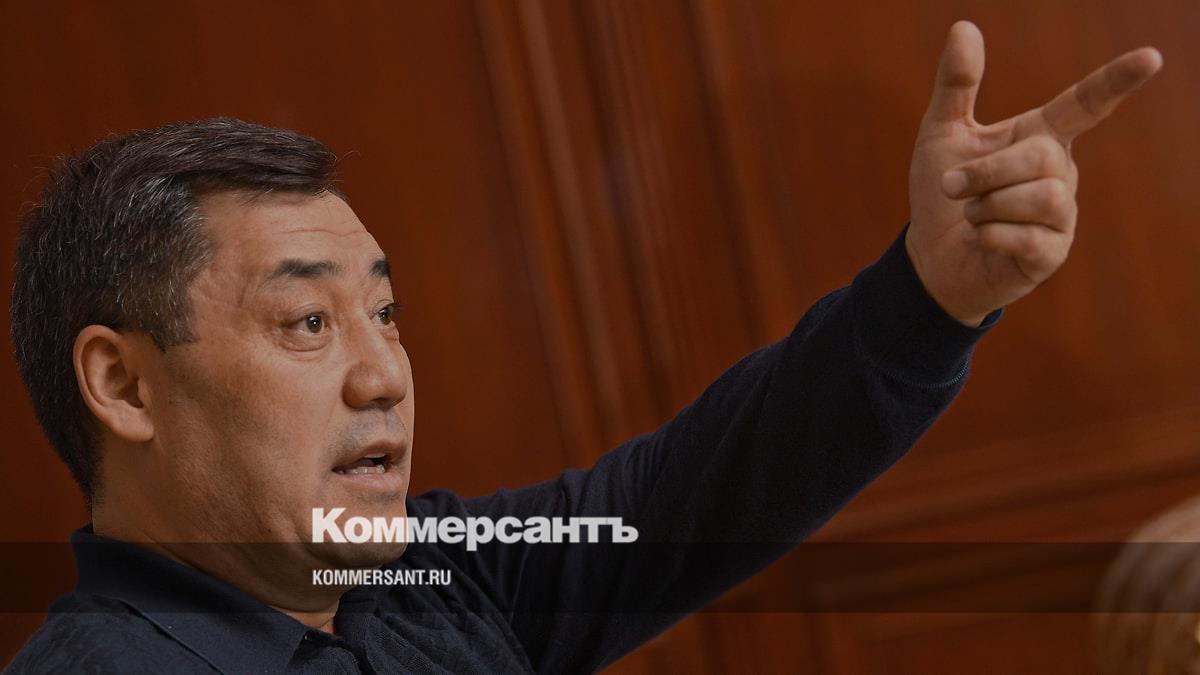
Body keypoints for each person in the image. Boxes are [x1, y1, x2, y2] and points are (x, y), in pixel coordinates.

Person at [4, 21, 1161, 674]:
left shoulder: (437, 571)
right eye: (310, 323)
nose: (385, 375)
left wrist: (931, 293)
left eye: (386, 315)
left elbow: (692, 495)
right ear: (124, 383)